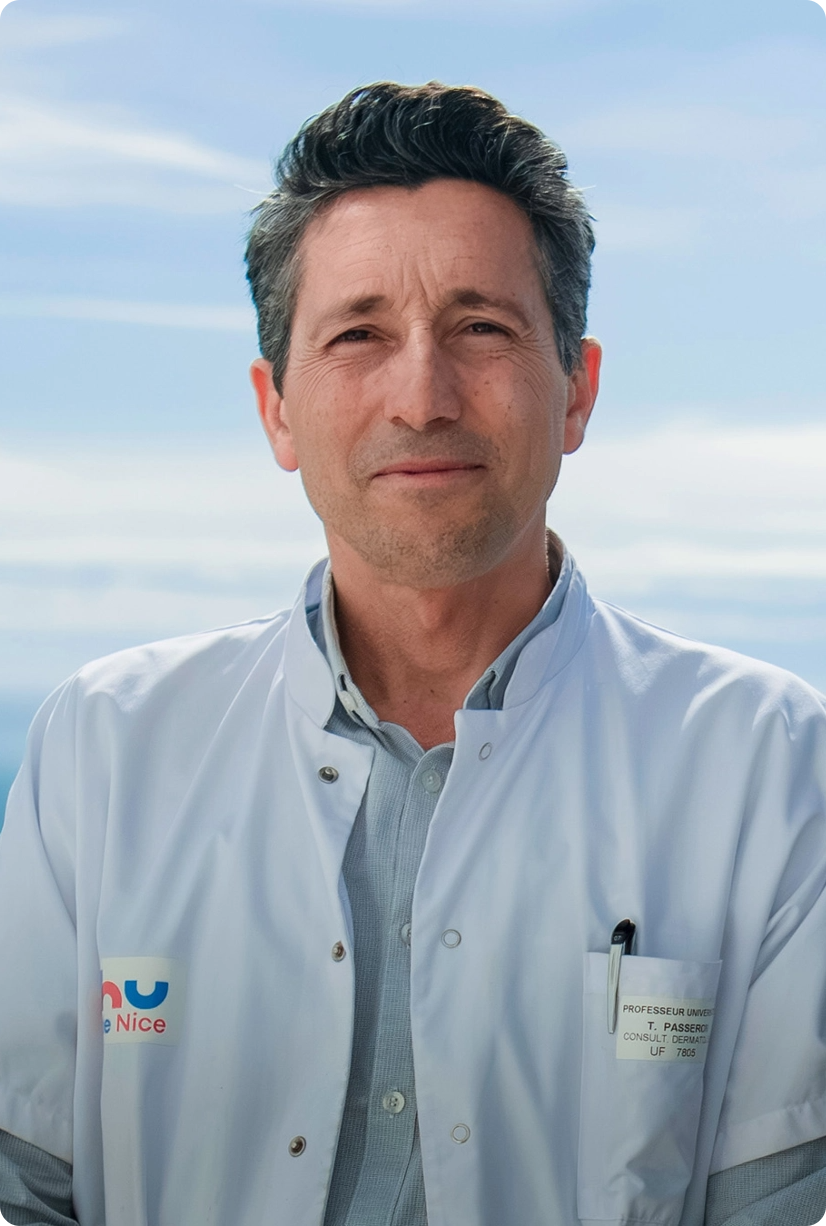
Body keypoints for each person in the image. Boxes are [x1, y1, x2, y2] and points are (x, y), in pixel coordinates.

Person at [1, 81, 825, 1226]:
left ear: (577, 388)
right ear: (275, 410)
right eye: (358, 335)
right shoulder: (103, 746)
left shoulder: (769, 759)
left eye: (481, 327)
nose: (422, 394)